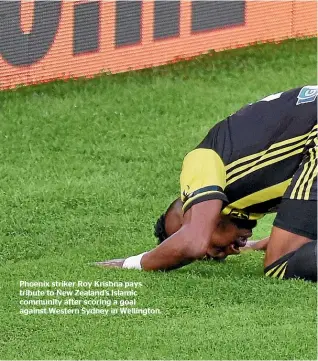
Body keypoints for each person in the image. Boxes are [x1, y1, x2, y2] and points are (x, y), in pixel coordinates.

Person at [96, 86, 317, 281]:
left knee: (279, 262)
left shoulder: (200, 160)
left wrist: (131, 263)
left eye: (216, 249)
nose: (230, 251)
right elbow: (304, 219)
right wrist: (258, 244)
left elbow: (192, 243)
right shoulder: (249, 191)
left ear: (190, 214)